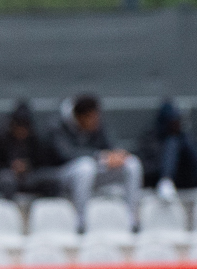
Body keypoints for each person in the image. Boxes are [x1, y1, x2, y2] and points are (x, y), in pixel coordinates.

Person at [48, 94, 143, 230]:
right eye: (91, 118)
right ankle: (81, 222)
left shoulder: (98, 123)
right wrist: (100, 157)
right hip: (64, 175)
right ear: (80, 117)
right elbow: (66, 154)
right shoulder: (57, 125)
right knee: (85, 167)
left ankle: (131, 219)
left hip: (94, 171)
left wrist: (117, 155)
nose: (95, 121)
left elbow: (111, 145)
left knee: (132, 164)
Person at [137, 100, 197, 202]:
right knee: (172, 142)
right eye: (172, 122)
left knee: (187, 140)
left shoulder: (185, 138)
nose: (176, 125)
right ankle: (166, 182)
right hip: (159, 176)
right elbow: (147, 167)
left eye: (177, 121)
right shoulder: (151, 138)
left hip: (189, 177)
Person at [0, 101, 58, 200]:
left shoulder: (35, 140)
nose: (21, 132)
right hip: (7, 177)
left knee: (51, 180)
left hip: (30, 177)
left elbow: (43, 163)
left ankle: (47, 211)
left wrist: (27, 166)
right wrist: (12, 167)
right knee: (6, 179)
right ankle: (9, 211)